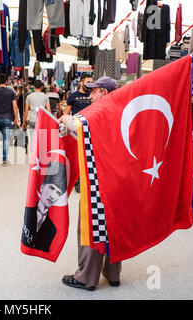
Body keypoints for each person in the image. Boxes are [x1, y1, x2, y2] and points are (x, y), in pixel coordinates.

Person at [59, 76, 121, 292]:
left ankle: (87, 277)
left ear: (104, 92)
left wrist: (68, 121)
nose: (90, 95)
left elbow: (91, 138)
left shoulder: (101, 111)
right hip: (116, 178)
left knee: (91, 225)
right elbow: (96, 142)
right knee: (112, 225)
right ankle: (113, 274)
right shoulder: (118, 110)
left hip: (99, 178)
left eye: (94, 91)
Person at [22, 161, 67, 252]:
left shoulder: (52, 228)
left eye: (58, 193)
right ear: (42, 187)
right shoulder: (30, 210)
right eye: (51, 188)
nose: (52, 196)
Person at [21, 80, 51, 151]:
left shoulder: (29, 96)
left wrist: (24, 122)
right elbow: (49, 110)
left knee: (32, 140)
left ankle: (33, 158)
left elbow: (26, 111)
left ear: (33, 87)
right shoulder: (45, 97)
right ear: (41, 87)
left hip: (32, 120)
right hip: (42, 121)